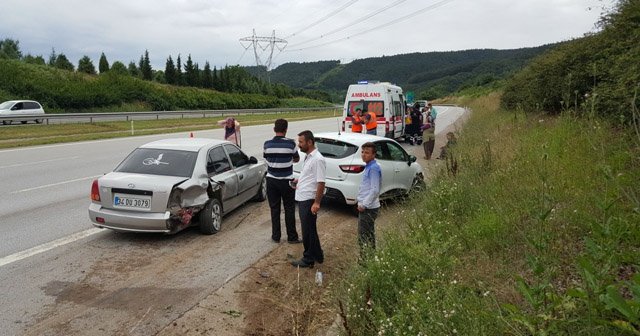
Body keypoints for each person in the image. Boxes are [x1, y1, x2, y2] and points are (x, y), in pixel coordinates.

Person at [290, 130, 326, 268]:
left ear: (309, 142)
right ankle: (318, 255)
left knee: (307, 231)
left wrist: (317, 202)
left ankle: (308, 258)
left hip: (309, 200)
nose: (299, 145)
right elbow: (311, 177)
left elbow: (321, 182)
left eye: (301, 142)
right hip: (303, 196)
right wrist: (299, 181)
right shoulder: (309, 156)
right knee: (311, 229)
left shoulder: (318, 159)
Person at [263, 119, 301, 244]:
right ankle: (292, 237)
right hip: (287, 180)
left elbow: (266, 157)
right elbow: (296, 159)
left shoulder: (267, 144)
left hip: (271, 180)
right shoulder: (291, 144)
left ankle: (276, 236)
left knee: (274, 209)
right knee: (289, 208)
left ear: (274, 129)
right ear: (286, 130)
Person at [357, 142, 381, 256]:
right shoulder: (369, 166)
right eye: (362, 152)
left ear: (373, 155)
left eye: (367, 152)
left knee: (364, 236)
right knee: (368, 234)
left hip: (369, 208)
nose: (363, 155)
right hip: (369, 206)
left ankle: (365, 260)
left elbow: (375, 189)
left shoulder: (373, 169)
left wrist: (364, 204)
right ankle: (370, 258)